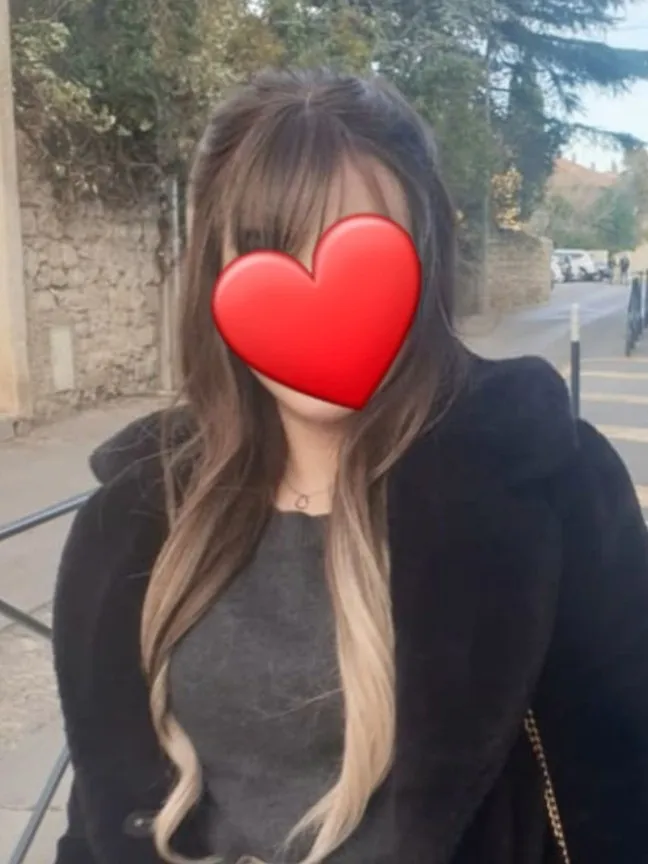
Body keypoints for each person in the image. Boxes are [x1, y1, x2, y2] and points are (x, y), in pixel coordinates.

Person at [52, 68, 648, 864]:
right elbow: (97, 806)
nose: (316, 298)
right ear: (213, 272)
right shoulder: (137, 510)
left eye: (362, 249)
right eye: (269, 248)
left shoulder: (550, 488)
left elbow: (621, 788)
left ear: (425, 258)